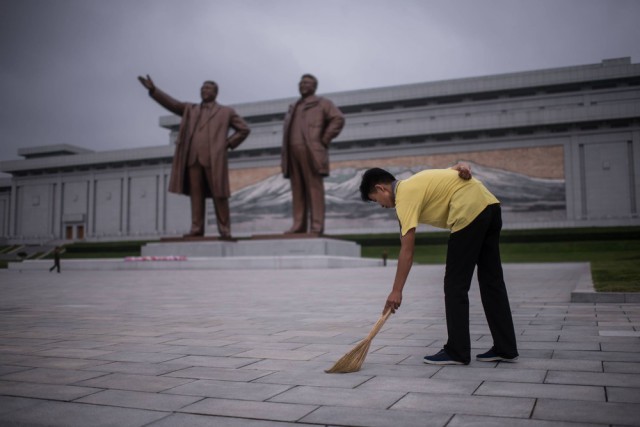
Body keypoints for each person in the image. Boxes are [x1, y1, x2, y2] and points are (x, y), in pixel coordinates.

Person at [359, 163, 519, 365]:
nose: (381, 205)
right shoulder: (417, 181)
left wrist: (396, 291)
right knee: (491, 282)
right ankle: (506, 348)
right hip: (490, 206)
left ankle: (457, 351)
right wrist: (462, 166)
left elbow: (407, 251)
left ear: (381, 188)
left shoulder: (404, 196)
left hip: (468, 212)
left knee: (455, 285)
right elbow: (454, 170)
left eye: (376, 200)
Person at [138, 75, 250, 239]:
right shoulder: (191, 109)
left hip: (214, 159)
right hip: (192, 159)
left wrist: (227, 144)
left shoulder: (226, 112)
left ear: (215, 92)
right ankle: (197, 228)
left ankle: (224, 229)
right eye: (202, 88)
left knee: (219, 194)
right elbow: (173, 104)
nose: (204, 90)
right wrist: (154, 90)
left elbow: (244, 129)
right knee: (196, 196)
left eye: (208, 88)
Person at [281, 74, 345, 235]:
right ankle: (298, 225)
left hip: (312, 151)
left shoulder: (323, 103)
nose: (303, 85)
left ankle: (316, 225)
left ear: (314, 86)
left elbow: (338, 118)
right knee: (297, 190)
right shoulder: (293, 106)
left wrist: (324, 139)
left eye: (307, 83)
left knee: (314, 189)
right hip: (292, 152)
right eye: (301, 82)